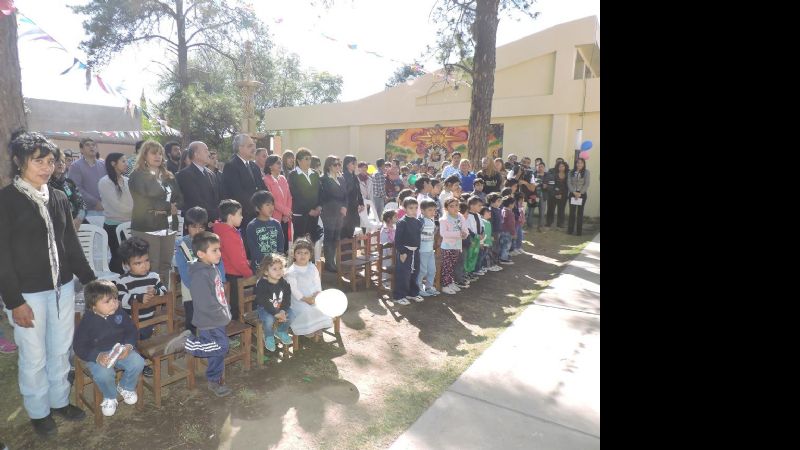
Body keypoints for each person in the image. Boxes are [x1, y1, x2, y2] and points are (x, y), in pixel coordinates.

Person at [1, 130, 96, 436]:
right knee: (34, 354)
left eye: (51, 161)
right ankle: (39, 411)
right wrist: (14, 301)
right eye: (38, 160)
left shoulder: (57, 198)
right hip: (27, 294)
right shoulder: (6, 201)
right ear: (19, 161)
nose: (46, 167)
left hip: (62, 288)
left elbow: (70, 242)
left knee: (60, 349)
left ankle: (59, 401)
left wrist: (90, 280)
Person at [73, 280, 145, 417]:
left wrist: (128, 347)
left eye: (115, 299)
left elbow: (131, 330)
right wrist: (97, 356)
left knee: (138, 362)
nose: (114, 303)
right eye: (108, 301)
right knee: (104, 374)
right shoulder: (87, 321)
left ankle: (125, 386)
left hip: (120, 350)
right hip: (99, 355)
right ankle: (110, 396)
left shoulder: (119, 312)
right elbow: (79, 346)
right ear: (93, 306)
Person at [183, 231, 233, 397]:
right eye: (214, 250)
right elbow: (204, 303)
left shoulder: (211, 267)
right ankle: (188, 343)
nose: (219, 253)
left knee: (217, 351)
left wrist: (225, 310)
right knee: (222, 346)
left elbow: (217, 294)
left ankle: (214, 380)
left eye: (219, 249)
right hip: (210, 321)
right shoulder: (200, 274)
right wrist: (221, 314)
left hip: (218, 318)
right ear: (201, 254)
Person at [129, 140, 183, 284]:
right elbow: (145, 202)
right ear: (144, 155)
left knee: (165, 265)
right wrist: (168, 207)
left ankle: (163, 300)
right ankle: (151, 303)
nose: (158, 156)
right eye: (154, 153)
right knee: (151, 265)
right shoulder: (137, 175)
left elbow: (180, 197)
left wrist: (171, 206)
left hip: (169, 226)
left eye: (160, 153)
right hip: (147, 227)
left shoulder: (168, 175)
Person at [115, 237, 167, 378]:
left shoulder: (154, 277)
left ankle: (141, 361)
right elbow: (122, 299)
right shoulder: (123, 281)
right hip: (129, 323)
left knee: (144, 340)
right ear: (127, 265)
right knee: (130, 341)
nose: (144, 266)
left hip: (148, 320)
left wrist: (156, 292)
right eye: (138, 263)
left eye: (146, 261)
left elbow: (164, 291)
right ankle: (133, 363)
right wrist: (138, 298)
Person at [175, 207, 226, 334]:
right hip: (190, 286)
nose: (198, 231)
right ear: (187, 226)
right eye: (194, 227)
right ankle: (191, 340)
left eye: (201, 227)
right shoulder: (182, 244)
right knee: (192, 317)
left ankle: (213, 338)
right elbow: (184, 270)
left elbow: (219, 263)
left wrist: (221, 282)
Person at [284, 238, 331, 341]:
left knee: (320, 306)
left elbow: (317, 282)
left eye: (306, 253)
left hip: (313, 295)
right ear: (294, 254)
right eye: (299, 253)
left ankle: (317, 326)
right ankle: (307, 329)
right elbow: (294, 290)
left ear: (310, 255)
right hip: (298, 299)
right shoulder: (291, 271)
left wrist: (317, 295)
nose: (303, 255)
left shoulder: (312, 267)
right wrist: (306, 299)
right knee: (306, 309)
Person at [213, 200, 252, 321]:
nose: (242, 216)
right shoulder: (228, 233)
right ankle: (235, 330)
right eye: (239, 214)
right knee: (235, 306)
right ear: (230, 217)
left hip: (226, 273)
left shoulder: (221, 229)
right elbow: (236, 260)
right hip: (234, 274)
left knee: (229, 303)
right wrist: (249, 274)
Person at [223, 134, 269, 230]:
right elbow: (238, 193)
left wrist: (266, 203)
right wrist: (257, 207)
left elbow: (262, 188)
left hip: (258, 214)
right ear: (240, 148)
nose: (253, 148)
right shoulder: (231, 166)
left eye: (253, 145)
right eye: (250, 146)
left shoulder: (254, 166)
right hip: (243, 217)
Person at [98, 153, 134, 274]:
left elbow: (133, 201)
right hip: (114, 226)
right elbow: (116, 206)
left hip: (130, 224)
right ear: (113, 163)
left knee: (131, 258)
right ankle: (116, 286)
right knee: (118, 258)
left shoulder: (127, 180)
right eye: (123, 161)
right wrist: (135, 212)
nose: (126, 164)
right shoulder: (105, 182)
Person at [253, 254, 295, 352]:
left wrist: (283, 310)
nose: (279, 271)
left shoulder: (284, 283)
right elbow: (264, 302)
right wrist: (276, 313)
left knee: (292, 315)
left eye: (281, 268)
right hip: (265, 308)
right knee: (269, 318)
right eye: (274, 269)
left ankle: (280, 331)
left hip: (279, 308)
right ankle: (269, 335)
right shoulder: (262, 284)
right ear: (266, 272)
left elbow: (286, 299)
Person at [177, 141, 221, 224]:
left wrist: (217, 216)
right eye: (206, 151)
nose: (209, 154)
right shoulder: (184, 174)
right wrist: (212, 215)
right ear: (196, 154)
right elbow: (194, 199)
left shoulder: (211, 173)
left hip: (213, 221)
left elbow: (216, 197)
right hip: (196, 222)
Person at [287, 148, 322, 244]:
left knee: (312, 240)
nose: (309, 161)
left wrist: (318, 207)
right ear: (298, 160)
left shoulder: (314, 173)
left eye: (309, 159)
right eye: (306, 159)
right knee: (300, 242)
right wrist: (308, 210)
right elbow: (296, 195)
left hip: (315, 214)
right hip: (301, 215)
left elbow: (319, 191)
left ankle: (312, 260)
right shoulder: (293, 175)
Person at [392, 198, 423, 305]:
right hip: (405, 253)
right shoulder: (402, 222)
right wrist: (402, 252)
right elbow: (398, 240)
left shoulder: (418, 222)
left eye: (415, 208)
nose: (414, 211)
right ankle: (399, 296)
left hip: (415, 252)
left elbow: (417, 238)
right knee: (403, 274)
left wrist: (418, 250)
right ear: (404, 209)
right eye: (411, 208)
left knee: (415, 273)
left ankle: (412, 293)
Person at [319, 156, 347, 272]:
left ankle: (333, 261)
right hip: (329, 213)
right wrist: (339, 206)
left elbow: (345, 195)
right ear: (329, 165)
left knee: (336, 237)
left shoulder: (341, 178)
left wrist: (344, 206)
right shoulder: (324, 179)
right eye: (336, 164)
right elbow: (325, 197)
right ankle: (329, 263)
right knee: (329, 237)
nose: (338, 167)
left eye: (339, 164)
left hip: (340, 214)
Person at [246, 191, 285, 273]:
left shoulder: (276, 224)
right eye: (267, 205)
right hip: (260, 268)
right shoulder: (252, 226)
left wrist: (276, 261)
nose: (271, 208)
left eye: (272, 204)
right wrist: (267, 263)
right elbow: (254, 250)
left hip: (276, 267)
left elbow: (280, 245)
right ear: (257, 208)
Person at [67, 137, 107, 218]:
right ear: (81, 150)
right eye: (87, 145)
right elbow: (76, 188)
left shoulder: (103, 164)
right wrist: (95, 202)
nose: (91, 147)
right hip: (86, 211)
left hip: (106, 208)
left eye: (93, 145)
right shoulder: (75, 166)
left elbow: (108, 184)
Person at [48, 152, 86, 231]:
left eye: (63, 161)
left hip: (77, 223)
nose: (61, 163)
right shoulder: (45, 185)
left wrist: (78, 219)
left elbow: (82, 203)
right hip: (57, 227)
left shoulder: (69, 183)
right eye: (57, 161)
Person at [263, 155, 292, 253]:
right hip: (274, 217)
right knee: (275, 245)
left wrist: (287, 213)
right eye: (278, 163)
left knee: (284, 245)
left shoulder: (283, 178)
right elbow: (271, 200)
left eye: (280, 163)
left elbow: (289, 196)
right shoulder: (266, 180)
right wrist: (285, 211)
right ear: (270, 166)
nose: (280, 165)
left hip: (285, 218)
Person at [439, 198, 468, 295]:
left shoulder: (460, 216)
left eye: (456, 205)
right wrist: (458, 234)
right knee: (447, 267)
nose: (455, 208)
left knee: (453, 266)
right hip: (447, 247)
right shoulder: (444, 219)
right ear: (446, 208)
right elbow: (443, 233)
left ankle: (450, 283)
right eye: (451, 206)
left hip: (457, 246)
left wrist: (465, 234)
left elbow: (465, 229)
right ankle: (445, 285)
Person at [416, 199, 439, 296]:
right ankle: (418, 288)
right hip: (422, 251)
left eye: (434, 210)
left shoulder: (431, 221)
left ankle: (429, 287)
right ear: (422, 210)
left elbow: (433, 234)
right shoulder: (420, 222)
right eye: (430, 210)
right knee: (422, 271)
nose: (433, 212)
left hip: (430, 251)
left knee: (432, 270)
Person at [340, 155, 365, 240]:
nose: (355, 165)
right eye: (353, 163)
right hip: (346, 206)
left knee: (354, 228)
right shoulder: (342, 176)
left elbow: (358, 192)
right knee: (346, 229)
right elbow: (344, 193)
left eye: (355, 163)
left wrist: (361, 203)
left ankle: (352, 250)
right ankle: (344, 251)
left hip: (354, 206)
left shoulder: (355, 177)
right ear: (347, 164)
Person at [567, 157, 590, 236]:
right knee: (572, 213)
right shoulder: (571, 172)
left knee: (580, 213)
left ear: (584, 164)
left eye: (581, 163)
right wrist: (573, 192)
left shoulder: (586, 172)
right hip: (572, 194)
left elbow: (586, 184)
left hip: (582, 194)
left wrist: (580, 193)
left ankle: (579, 232)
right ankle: (570, 230)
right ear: (575, 164)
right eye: (578, 163)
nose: (579, 164)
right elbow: (569, 183)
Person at [546, 161, 569, 229]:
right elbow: (551, 185)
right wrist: (555, 194)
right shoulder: (553, 174)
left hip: (563, 195)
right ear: (557, 167)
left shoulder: (568, 175)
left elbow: (567, 187)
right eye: (560, 166)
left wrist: (562, 194)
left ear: (565, 167)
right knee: (550, 209)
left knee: (561, 210)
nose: (561, 168)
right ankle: (549, 222)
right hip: (553, 194)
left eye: (563, 166)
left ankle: (560, 223)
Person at [499, 196, 516, 264]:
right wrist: (513, 233)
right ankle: (504, 259)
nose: (514, 205)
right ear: (510, 204)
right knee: (506, 246)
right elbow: (511, 224)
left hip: (502, 231)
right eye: (513, 204)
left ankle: (501, 257)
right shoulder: (510, 213)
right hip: (507, 232)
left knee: (502, 245)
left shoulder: (502, 210)